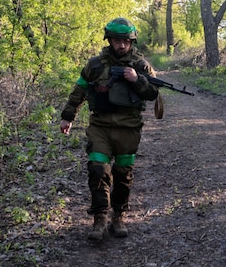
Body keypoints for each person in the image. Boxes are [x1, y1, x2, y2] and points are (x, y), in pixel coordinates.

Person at [59, 18, 159, 241]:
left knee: (123, 175)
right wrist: (68, 117)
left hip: (129, 128)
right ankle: (100, 218)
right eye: (117, 41)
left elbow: (153, 93)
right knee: (97, 168)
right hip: (101, 126)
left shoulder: (141, 65)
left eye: (125, 41)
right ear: (109, 40)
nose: (121, 45)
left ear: (131, 42)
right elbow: (80, 90)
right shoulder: (95, 65)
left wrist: (137, 80)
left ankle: (119, 215)